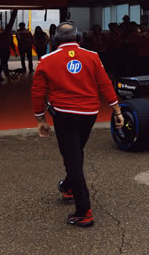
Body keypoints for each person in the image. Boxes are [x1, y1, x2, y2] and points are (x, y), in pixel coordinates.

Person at [31, 22, 124, 228]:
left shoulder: (47, 60)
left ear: (55, 39)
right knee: (75, 152)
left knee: (72, 157)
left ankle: (84, 211)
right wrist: (117, 110)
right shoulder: (93, 56)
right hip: (89, 114)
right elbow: (105, 84)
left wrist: (40, 119)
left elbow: (37, 92)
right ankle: (68, 186)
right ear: (79, 37)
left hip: (64, 115)